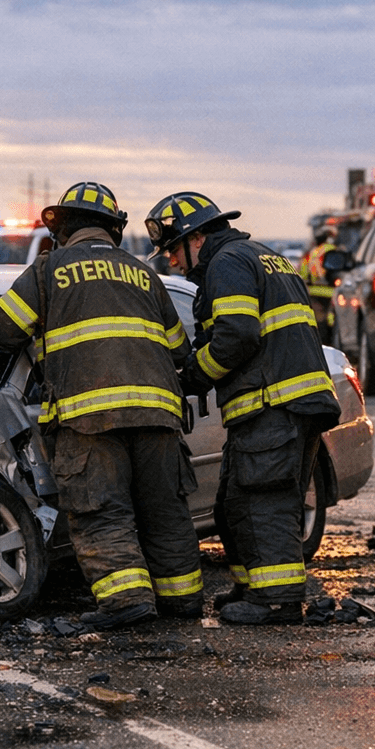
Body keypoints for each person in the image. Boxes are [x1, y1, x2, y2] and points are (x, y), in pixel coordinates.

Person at [0, 182, 202, 629]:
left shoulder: (48, 271)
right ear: (114, 230)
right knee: (165, 512)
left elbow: (1, 330)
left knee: (103, 511)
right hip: (158, 418)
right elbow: (179, 349)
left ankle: (126, 603)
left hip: (89, 419)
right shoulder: (145, 276)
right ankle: (183, 602)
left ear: (62, 228)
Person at [145, 191, 340, 625]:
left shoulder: (227, 263)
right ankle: (251, 587)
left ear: (194, 237)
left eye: (173, 249)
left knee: (263, 502)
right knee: (234, 502)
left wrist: (191, 376)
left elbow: (237, 336)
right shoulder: (262, 255)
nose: (172, 263)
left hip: (273, 404)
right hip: (290, 403)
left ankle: (276, 600)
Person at [301, 226, 341, 336]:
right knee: (331, 317)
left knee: (317, 318)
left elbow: (303, 273)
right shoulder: (331, 250)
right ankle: (330, 338)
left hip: (313, 291)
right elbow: (338, 269)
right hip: (329, 291)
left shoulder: (312, 252)